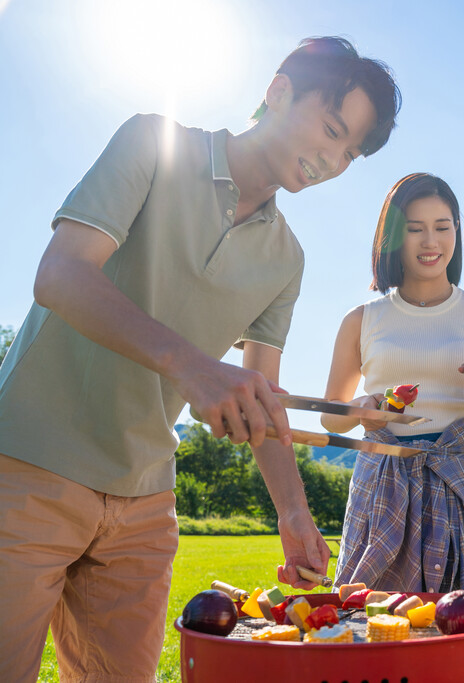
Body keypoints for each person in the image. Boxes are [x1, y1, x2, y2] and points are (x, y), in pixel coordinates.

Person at [0, 37, 401, 682]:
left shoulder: (286, 259)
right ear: (277, 92)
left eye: (351, 152)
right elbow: (61, 274)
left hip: (143, 503)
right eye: (332, 130)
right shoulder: (152, 143)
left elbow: (261, 391)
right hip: (28, 467)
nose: (336, 160)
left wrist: (294, 514)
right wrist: (194, 368)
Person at [322, 173, 464, 600]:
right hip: (384, 477)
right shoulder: (362, 319)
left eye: (442, 227)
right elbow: (330, 416)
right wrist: (364, 407)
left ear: (457, 232)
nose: (431, 242)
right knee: (370, 618)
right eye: (415, 229)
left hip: (463, 475)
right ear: (393, 236)